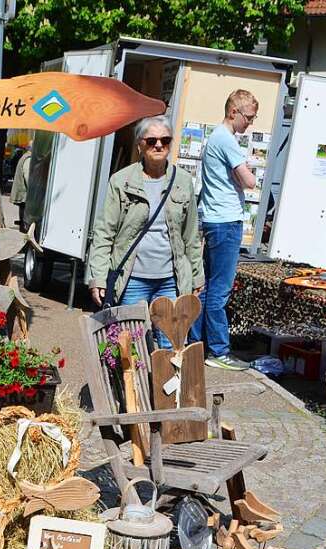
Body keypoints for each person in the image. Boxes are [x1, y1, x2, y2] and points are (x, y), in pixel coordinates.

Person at [89, 116, 203, 348]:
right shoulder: (121, 181)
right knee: (132, 343)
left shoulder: (182, 180)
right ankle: (135, 385)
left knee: (172, 343)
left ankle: (166, 385)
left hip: (171, 279)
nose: (159, 145)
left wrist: (196, 275)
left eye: (165, 140)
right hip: (132, 279)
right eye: (151, 141)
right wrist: (98, 277)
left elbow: (190, 234)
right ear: (140, 145)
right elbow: (104, 233)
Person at [189, 89, 259, 370]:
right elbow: (250, 181)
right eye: (249, 117)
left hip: (213, 219)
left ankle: (196, 344)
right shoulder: (226, 140)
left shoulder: (214, 138)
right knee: (220, 290)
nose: (250, 124)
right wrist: (246, 173)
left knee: (205, 288)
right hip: (226, 221)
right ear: (234, 112)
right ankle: (218, 351)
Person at [10, 147, 32, 230]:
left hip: (23, 195)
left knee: (23, 221)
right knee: (25, 224)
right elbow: (28, 178)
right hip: (24, 195)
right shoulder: (29, 159)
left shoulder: (25, 157)